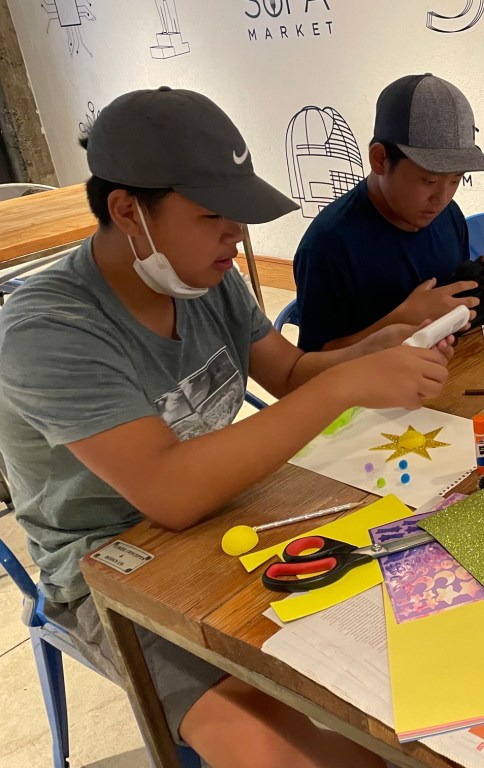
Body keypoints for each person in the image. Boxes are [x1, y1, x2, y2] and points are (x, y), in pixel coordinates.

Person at [0, 87, 455, 768]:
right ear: (127, 211)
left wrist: (372, 349)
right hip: (111, 562)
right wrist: (344, 384)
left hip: (230, 508)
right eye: (213, 214)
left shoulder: (202, 278)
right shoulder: (49, 329)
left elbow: (290, 373)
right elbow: (170, 491)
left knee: (422, 646)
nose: (236, 236)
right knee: (285, 750)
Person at [292, 73, 484, 352]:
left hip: (448, 367)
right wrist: (400, 322)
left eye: (456, 179)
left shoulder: (448, 216)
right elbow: (313, 364)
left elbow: (452, 310)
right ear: (380, 159)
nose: (442, 198)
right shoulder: (329, 245)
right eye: (429, 180)